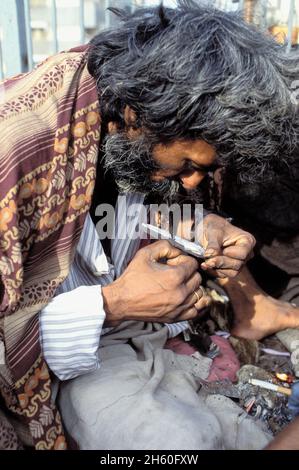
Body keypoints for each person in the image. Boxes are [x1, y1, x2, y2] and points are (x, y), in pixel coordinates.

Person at [0, 1, 296, 450]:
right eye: (190, 166)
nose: (195, 182)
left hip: (149, 341)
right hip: (61, 362)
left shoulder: (137, 131)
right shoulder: (18, 151)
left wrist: (202, 226)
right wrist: (111, 304)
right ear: (139, 115)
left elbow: (124, 216)